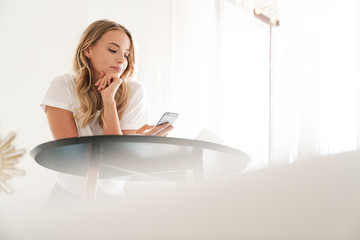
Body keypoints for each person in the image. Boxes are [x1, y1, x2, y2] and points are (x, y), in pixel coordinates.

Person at [41, 19, 174, 203]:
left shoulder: (135, 91)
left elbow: (118, 160)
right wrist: (128, 145)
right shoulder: (63, 85)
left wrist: (109, 101)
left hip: (114, 199)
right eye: (113, 50)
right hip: (69, 197)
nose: (121, 60)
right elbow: (72, 155)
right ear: (88, 50)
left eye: (126, 54)